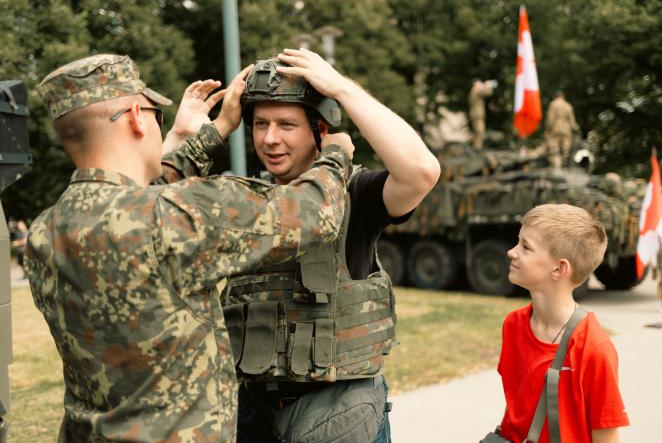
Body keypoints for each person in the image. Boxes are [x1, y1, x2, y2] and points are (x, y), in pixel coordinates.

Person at [27, 53, 355, 442]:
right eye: (154, 113)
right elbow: (315, 212)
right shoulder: (171, 216)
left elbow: (136, 196)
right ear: (136, 115)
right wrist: (335, 154)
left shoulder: (44, 231)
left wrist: (216, 131)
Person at [222, 48, 440, 443]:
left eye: (287, 124)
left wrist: (341, 88)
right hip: (253, 410)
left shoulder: (355, 193)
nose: (270, 139)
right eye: (260, 124)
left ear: (320, 131)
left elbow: (422, 171)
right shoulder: (243, 202)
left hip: (338, 413)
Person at [497, 204, 629, 442]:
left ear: (559, 268)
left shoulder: (594, 348)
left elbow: (606, 435)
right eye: (518, 242)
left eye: (525, 247)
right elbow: (517, 408)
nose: (511, 252)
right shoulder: (513, 325)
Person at [544, 91, 579, 169]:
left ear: (555, 97)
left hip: (555, 131)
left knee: (555, 152)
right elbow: (572, 122)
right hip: (566, 131)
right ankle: (565, 168)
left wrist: (548, 130)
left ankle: (557, 169)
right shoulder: (568, 105)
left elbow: (550, 119)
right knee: (565, 151)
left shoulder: (553, 104)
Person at [468, 79, 496, 150]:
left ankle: (477, 146)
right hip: (477, 115)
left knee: (478, 131)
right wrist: (488, 86)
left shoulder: (474, 91)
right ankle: (477, 147)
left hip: (476, 114)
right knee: (480, 131)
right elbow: (487, 93)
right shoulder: (475, 90)